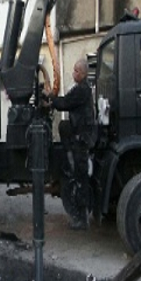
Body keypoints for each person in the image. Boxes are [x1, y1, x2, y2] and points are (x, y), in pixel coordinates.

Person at [44, 59, 96, 230]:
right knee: (63, 126)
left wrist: (51, 98)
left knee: (80, 179)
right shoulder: (82, 89)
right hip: (79, 138)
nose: (73, 73)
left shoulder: (82, 90)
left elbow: (65, 103)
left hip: (81, 142)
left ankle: (82, 220)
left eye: (75, 70)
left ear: (82, 73)